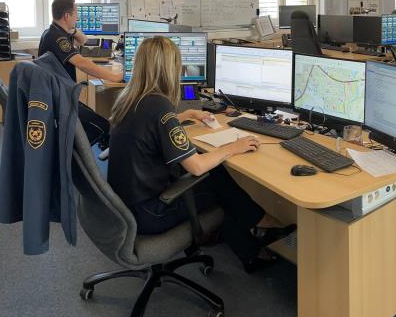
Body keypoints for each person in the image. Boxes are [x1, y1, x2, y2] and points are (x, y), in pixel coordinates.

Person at [107, 36, 288, 272]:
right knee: (218, 180)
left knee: (218, 177)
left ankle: (253, 245)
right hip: (149, 214)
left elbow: (148, 125)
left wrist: (184, 116)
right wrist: (234, 147)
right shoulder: (159, 106)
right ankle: (260, 226)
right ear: (169, 69)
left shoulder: (129, 98)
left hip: (123, 206)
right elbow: (197, 166)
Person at [40, 0, 123, 147]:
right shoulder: (58, 38)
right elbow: (82, 63)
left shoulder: (53, 31)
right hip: (60, 101)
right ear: (67, 16)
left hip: (58, 95)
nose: (78, 17)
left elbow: (83, 40)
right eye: (76, 14)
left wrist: (72, 29)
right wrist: (114, 77)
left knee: (99, 122)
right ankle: (71, 153)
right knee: (103, 126)